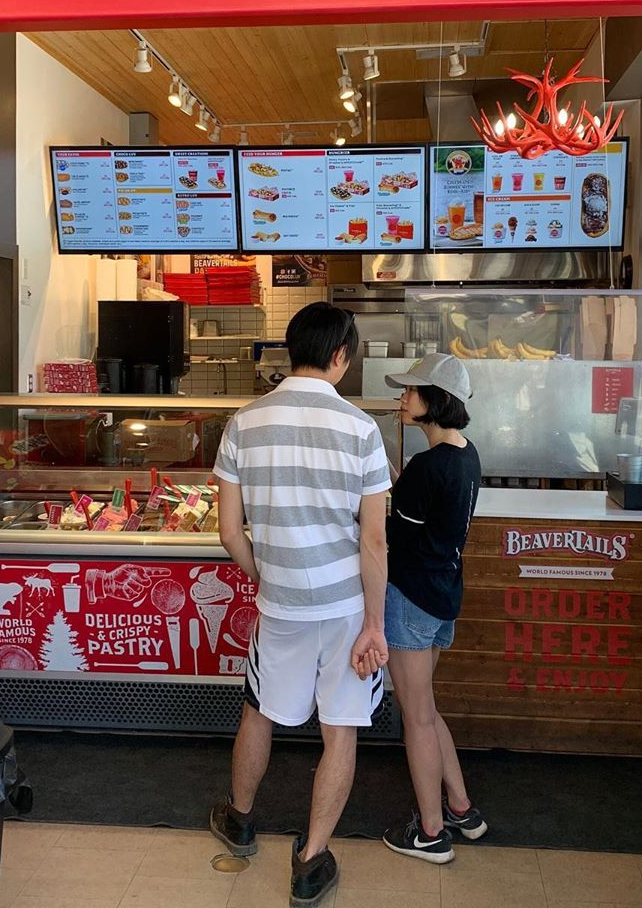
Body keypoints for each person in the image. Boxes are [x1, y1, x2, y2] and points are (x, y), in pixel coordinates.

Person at [209, 301, 390, 907]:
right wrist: (374, 625)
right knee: (341, 730)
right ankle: (311, 862)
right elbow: (373, 541)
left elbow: (229, 532)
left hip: (280, 606)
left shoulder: (244, 422)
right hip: (345, 608)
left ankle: (239, 821)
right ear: (340, 355)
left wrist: (269, 575)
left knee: (259, 711)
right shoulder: (362, 430)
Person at [379, 352, 487, 863]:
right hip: (443, 596)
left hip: (410, 599)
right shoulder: (466, 455)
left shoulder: (427, 466)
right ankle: (461, 808)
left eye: (410, 391)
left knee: (416, 717)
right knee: (425, 708)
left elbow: (391, 537)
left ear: (436, 400)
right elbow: (425, 518)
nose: (402, 399)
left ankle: (430, 833)